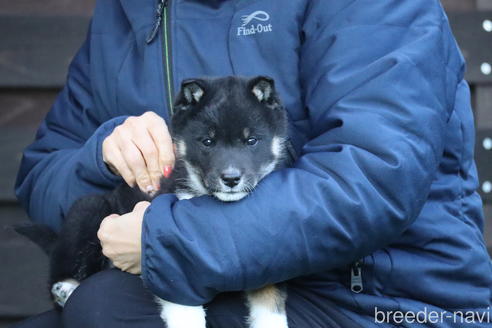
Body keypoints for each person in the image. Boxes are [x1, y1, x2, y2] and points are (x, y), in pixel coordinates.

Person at [13, 0, 492, 327]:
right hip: (201, 282)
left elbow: (372, 176)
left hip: (380, 297)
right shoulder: (127, 11)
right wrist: (104, 154)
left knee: (106, 309)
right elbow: (42, 174)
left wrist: (167, 239)